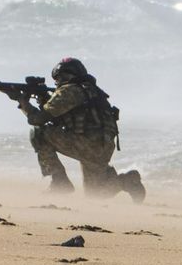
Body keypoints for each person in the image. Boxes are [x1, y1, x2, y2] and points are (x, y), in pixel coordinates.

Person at [18, 57, 145, 202]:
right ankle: (127, 181)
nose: (57, 82)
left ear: (69, 76)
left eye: (60, 78)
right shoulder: (91, 91)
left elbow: (37, 119)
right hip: (102, 147)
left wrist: (21, 101)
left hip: (87, 145)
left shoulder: (70, 90)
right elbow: (60, 116)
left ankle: (59, 181)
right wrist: (43, 98)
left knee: (38, 132)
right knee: (96, 194)